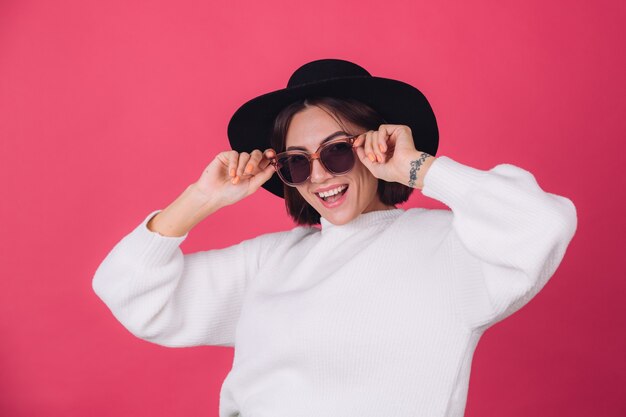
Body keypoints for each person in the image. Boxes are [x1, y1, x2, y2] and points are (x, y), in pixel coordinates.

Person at [92, 59, 578, 417]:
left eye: (339, 152)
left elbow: (542, 224)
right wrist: (201, 198)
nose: (320, 175)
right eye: (296, 162)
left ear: (376, 146)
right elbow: (129, 292)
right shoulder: (269, 261)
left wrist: (415, 167)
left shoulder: (453, 246)